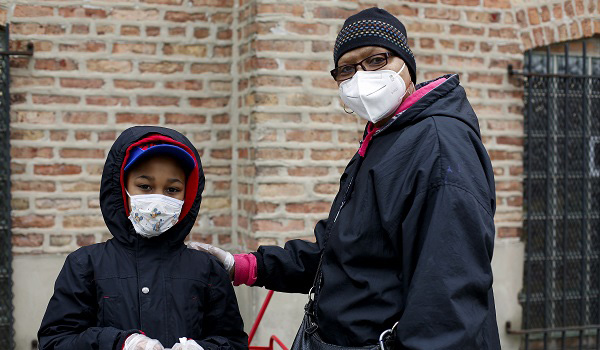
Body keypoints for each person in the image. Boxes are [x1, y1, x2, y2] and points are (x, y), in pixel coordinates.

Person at [190, 7, 501, 350]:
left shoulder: (439, 147)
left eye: (375, 60)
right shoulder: (385, 138)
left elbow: (447, 299)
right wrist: (247, 266)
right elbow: (340, 250)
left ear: (405, 65)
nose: (361, 77)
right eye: (347, 69)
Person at [38, 126, 248, 350]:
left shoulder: (207, 270)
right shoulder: (85, 265)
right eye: (145, 186)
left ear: (188, 195)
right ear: (121, 188)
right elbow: (55, 342)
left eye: (172, 189)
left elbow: (233, 342)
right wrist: (119, 344)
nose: (158, 198)